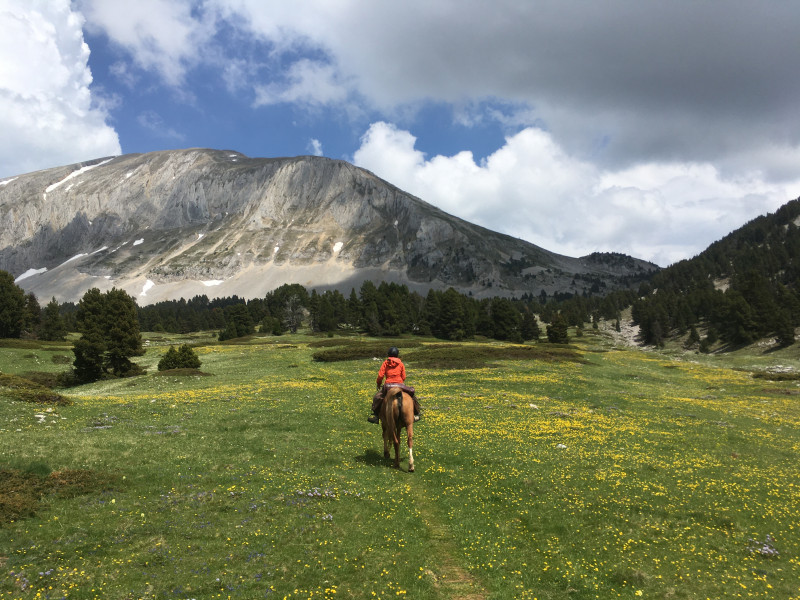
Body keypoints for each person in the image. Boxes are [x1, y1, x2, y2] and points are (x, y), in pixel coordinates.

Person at [368, 346, 421, 424]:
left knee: (377, 398)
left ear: (389, 354)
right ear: (397, 354)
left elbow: (380, 376)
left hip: (388, 386)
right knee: (412, 396)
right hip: (400, 385)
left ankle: (376, 416)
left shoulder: (385, 363)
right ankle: (415, 414)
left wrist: (378, 384)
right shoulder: (401, 363)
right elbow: (404, 377)